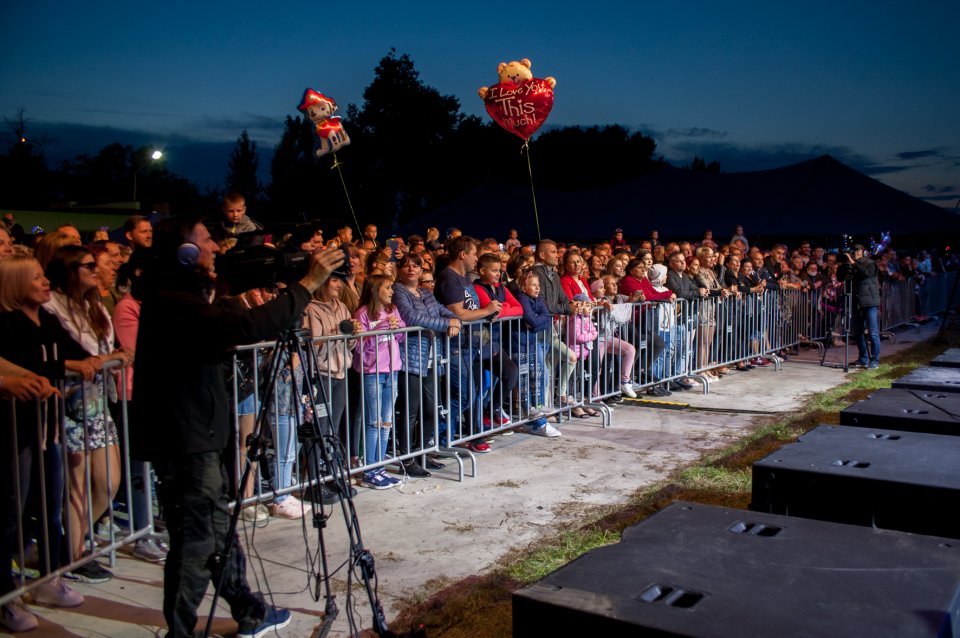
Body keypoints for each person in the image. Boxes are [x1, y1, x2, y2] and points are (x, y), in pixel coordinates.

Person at [131, 214, 344, 638]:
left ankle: (248, 607)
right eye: (207, 240)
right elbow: (246, 327)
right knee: (196, 542)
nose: (215, 248)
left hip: (200, 435)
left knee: (217, 532)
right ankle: (181, 632)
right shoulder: (171, 299)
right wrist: (307, 283)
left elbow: (227, 319)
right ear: (185, 251)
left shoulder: (187, 295)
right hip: (186, 441)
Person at [0, 256, 85, 632]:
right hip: (14, 433)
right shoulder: (5, 324)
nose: (46, 281)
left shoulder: (48, 319)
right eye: (36, 277)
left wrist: (94, 360)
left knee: (51, 505)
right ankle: (6, 596)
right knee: (8, 516)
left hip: (48, 429)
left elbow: (75, 353)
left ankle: (48, 578)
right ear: (17, 284)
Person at [44, 245, 132, 584]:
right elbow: (63, 357)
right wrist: (90, 362)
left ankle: (74, 545)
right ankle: (75, 554)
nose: (97, 270)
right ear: (69, 271)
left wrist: (115, 356)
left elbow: (100, 353)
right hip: (67, 405)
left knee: (108, 481)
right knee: (76, 484)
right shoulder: (52, 306)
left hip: (96, 402)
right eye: (88, 266)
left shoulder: (95, 305)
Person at [391, 253, 459, 476]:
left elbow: (445, 311)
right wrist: (446, 324)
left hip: (432, 358)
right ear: (400, 270)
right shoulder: (398, 292)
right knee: (410, 411)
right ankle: (406, 458)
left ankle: (422, 452)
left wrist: (454, 321)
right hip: (410, 359)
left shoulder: (426, 293)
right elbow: (411, 318)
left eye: (416, 266)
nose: (411, 269)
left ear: (421, 271)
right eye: (406, 266)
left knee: (430, 408)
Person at [353, 275, 406, 489]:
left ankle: (381, 466)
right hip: (372, 372)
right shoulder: (363, 313)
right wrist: (377, 329)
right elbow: (358, 346)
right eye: (387, 287)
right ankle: (370, 469)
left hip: (392, 370)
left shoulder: (393, 309)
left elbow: (401, 336)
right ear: (375, 290)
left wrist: (397, 327)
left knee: (386, 422)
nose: (391, 291)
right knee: (373, 422)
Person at [841, 245, 881, 368]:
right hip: (856, 301)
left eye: (857, 251)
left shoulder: (870, 263)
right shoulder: (852, 265)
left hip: (869, 301)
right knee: (858, 332)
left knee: (873, 332)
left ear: (863, 252)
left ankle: (874, 360)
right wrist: (844, 264)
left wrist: (853, 263)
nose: (855, 253)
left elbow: (867, 274)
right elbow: (840, 277)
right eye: (854, 251)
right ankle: (863, 358)